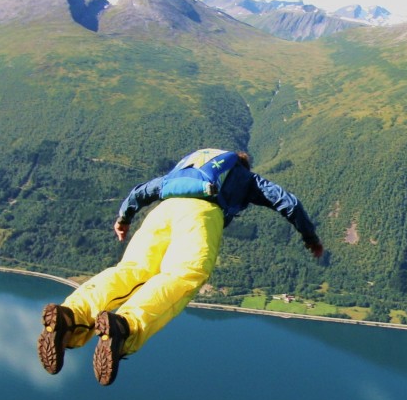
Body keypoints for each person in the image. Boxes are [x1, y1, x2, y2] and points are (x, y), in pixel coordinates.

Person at [38, 148, 324, 385]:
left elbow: (142, 191)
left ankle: (71, 315)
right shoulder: (245, 176)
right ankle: (125, 326)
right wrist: (309, 237)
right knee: (184, 274)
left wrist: (124, 218)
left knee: (132, 270)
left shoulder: (188, 168)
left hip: (162, 211)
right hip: (202, 213)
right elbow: (287, 201)